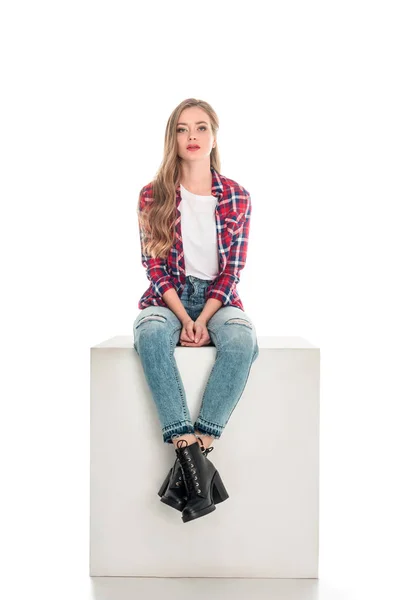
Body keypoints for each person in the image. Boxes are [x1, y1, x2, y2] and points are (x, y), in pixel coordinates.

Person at [133, 98, 259, 523]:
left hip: (217, 300)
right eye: (183, 129)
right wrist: (183, 317)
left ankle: (195, 453)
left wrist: (202, 318)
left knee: (242, 340)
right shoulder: (153, 195)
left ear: (214, 136)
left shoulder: (237, 196)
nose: (192, 137)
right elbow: (154, 267)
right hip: (167, 298)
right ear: (173, 138)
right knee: (150, 334)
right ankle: (188, 450)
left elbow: (233, 272)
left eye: (201, 128)